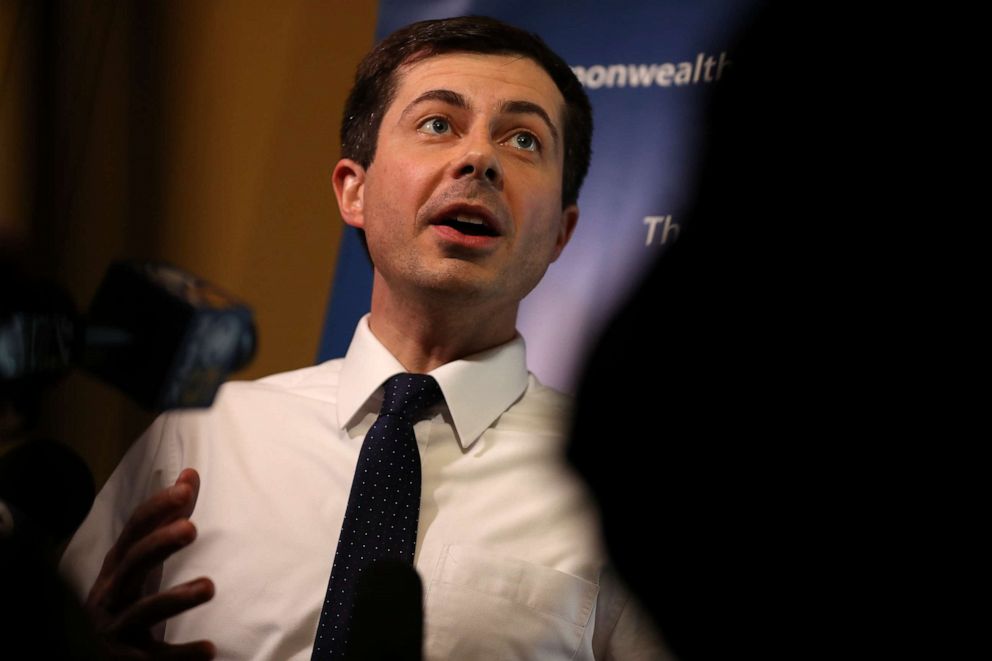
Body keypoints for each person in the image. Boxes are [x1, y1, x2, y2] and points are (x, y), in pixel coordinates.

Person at [60, 16, 668, 661]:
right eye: (437, 124)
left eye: (523, 140)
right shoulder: (198, 441)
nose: (480, 158)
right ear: (354, 189)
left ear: (561, 235)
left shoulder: (618, 482)